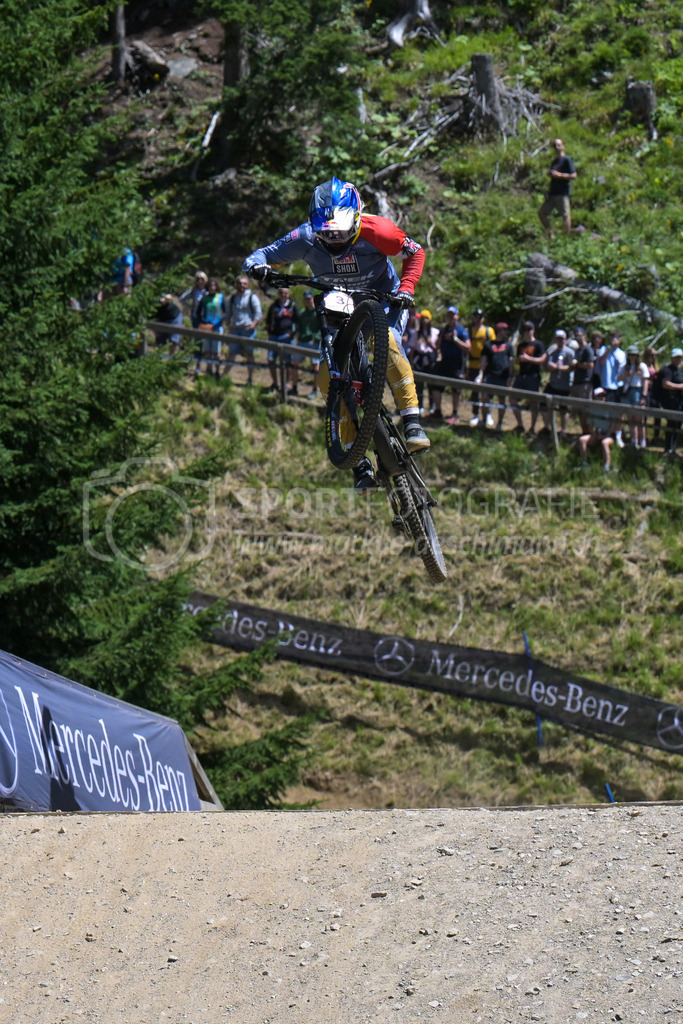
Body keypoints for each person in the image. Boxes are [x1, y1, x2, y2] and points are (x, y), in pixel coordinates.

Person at [243, 176, 430, 492]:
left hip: (383, 298)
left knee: (390, 345)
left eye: (342, 230)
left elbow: (416, 252)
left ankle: (412, 422)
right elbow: (259, 255)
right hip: (338, 304)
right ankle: (358, 461)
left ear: (357, 218)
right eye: (326, 231)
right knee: (327, 381)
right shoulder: (304, 238)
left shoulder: (379, 231)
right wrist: (257, 267)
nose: (334, 237)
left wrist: (407, 288)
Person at [430, 306, 470, 424]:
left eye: (453, 315)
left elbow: (468, 347)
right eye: (449, 315)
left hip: (457, 362)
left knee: (456, 388)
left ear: (457, 316)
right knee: (436, 385)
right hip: (444, 361)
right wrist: (442, 338)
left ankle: (455, 413)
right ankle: (438, 411)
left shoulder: (462, 330)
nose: (451, 317)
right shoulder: (444, 330)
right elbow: (436, 345)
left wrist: (455, 339)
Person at [226, 275, 262, 386]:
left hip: (248, 329)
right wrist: (229, 325)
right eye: (240, 283)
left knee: (249, 354)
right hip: (235, 329)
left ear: (247, 285)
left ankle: (250, 379)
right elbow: (228, 313)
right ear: (236, 284)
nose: (242, 285)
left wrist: (253, 325)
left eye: (244, 283)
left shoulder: (252, 297)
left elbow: (258, 313)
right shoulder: (232, 298)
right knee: (231, 353)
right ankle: (224, 376)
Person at [478, 322, 514, 431]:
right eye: (504, 330)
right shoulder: (488, 345)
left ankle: (499, 423)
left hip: (503, 377)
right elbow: (483, 361)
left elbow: (511, 362)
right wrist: (480, 375)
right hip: (490, 376)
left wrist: (510, 377)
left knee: (502, 400)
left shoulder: (509, 346)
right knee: (485, 398)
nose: (505, 332)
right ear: (499, 331)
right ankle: (484, 421)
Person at [512, 321, 546, 434]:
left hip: (533, 376)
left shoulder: (538, 344)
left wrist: (528, 359)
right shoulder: (521, 345)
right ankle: (520, 425)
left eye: (529, 329)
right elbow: (517, 359)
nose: (527, 332)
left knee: (533, 402)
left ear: (533, 330)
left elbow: (542, 359)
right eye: (525, 330)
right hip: (521, 375)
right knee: (513, 399)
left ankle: (532, 427)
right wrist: (518, 360)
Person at [538, 138, 577, 236]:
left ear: (563, 146)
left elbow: (574, 175)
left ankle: (567, 237)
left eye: (559, 145)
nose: (557, 147)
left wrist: (559, 175)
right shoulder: (554, 161)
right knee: (542, 213)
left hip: (562, 193)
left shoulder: (567, 159)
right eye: (555, 145)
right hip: (553, 193)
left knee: (565, 215)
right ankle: (551, 233)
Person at [265, 286, 300, 394]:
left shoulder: (293, 306)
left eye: (285, 293)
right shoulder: (274, 305)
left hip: (287, 337)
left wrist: (292, 334)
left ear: (288, 294)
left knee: (287, 362)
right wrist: (269, 331)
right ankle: (275, 383)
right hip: (274, 336)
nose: (283, 295)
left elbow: (298, 321)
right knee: (271, 359)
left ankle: (286, 383)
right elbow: (268, 319)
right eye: (281, 293)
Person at [541, 329, 575, 436]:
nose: (560, 341)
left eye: (562, 339)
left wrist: (559, 367)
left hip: (565, 384)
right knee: (543, 403)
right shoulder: (551, 350)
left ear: (565, 339)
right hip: (553, 382)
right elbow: (546, 365)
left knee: (563, 408)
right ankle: (547, 427)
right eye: (558, 339)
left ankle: (563, 430)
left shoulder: (570, 352)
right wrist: (551, 366)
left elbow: (572, 367)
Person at [596, 332, 626, 448]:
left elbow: (623, 371)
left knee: (618, 413)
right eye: (612, 339)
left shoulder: (622, 354)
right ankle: (604, 431)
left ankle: (617, 434)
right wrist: (609, 349)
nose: (613, 341)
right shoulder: (604, 349)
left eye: (616, 339)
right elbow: (601, 361)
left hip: (617, 386)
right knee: (604, 410)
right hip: (605, 385)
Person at [578, 387, 620, 472]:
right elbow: (590, 424)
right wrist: (594, 434)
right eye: (599, 396)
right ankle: (584, 463)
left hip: (609, 434)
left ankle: (606, 467)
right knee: (582, 439)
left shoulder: (610, 408)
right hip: (597, 433)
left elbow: (613, 425)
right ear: (595, 397)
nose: (602, 398)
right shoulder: (593, 409)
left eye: (603, 395)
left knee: (605, 443)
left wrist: (606, 435)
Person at [617, 345, 650, 449]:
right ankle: (634, 441)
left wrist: (644, 396)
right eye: (630, 355)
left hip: (638, 390)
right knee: (631, 418)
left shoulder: (642, 366)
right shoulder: (624, 366)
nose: (632, 357)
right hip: (628, 390)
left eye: (634, 355)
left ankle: (643, 442)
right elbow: (618, 379)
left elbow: (646, 382)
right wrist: (626, 374)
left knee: (639, 419)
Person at [467, 309, 496, 426]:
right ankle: (475, 415)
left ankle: (487, 414)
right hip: (472, 365)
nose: (477, 319)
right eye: (475, 316)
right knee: (474, 392)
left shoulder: (489, 331)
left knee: (486, 392)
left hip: (486, 366)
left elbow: (494, 349)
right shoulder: (469, 331)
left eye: (479, 316)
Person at [409, 310, 439, 417]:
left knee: (431, 385)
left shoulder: (435, 332)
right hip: (419, 361)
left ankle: (431, 406)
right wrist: (411, 363)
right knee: (419, 386)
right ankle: (420, 406)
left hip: (430, 361)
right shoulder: (416, 334)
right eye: (422, 318)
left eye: (426, 318)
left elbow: (438, 349)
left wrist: (431, 344)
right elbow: (412, 350)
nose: (424, 321)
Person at [196, 277, 228, 377]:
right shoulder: (204, 298)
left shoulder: (220, 297)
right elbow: (199, 312)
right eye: (210, 286)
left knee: (217, 350)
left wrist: (219, 321)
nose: (212, 288)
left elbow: (226, 312)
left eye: (214, 285)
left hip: (217, 326)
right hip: (207, 326)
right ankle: (209, 369)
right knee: (207, 350)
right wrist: (203, 321)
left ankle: (217, 370)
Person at [570, 327, 596, 432]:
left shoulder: (588, 349)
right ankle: (584, 432)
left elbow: (590, 365)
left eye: (579, 335)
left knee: (586, 410)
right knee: (579, 411)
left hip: (585, 384)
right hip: (576, 382)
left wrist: (578, 364)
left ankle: (590, 433)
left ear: (584, 336)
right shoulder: (577, 350)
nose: (578, 338)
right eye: (576, 336)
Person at [297, 289, 322, 398]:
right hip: (303, 342)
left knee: (315, 367)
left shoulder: (318, 313)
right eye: (305, 299)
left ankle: (314, 389)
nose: (307, 301)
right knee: (293, 362)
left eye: (309, 299)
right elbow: (299, 328)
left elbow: (322, 329)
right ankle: (293, 386)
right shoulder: (302, 313)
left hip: (314, 343)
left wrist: (316, 338)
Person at [660, 347, 683, 455]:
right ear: (672, 358)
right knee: (671, 424)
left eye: (680, 357)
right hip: (670, 400)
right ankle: (668, 447)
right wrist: (680, 387)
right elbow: (666, 384)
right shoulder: (668, 370)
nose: (678, 360)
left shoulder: (680, 371)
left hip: (679, 401)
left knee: (678, 424)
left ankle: (673, 447)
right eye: (676, 357)